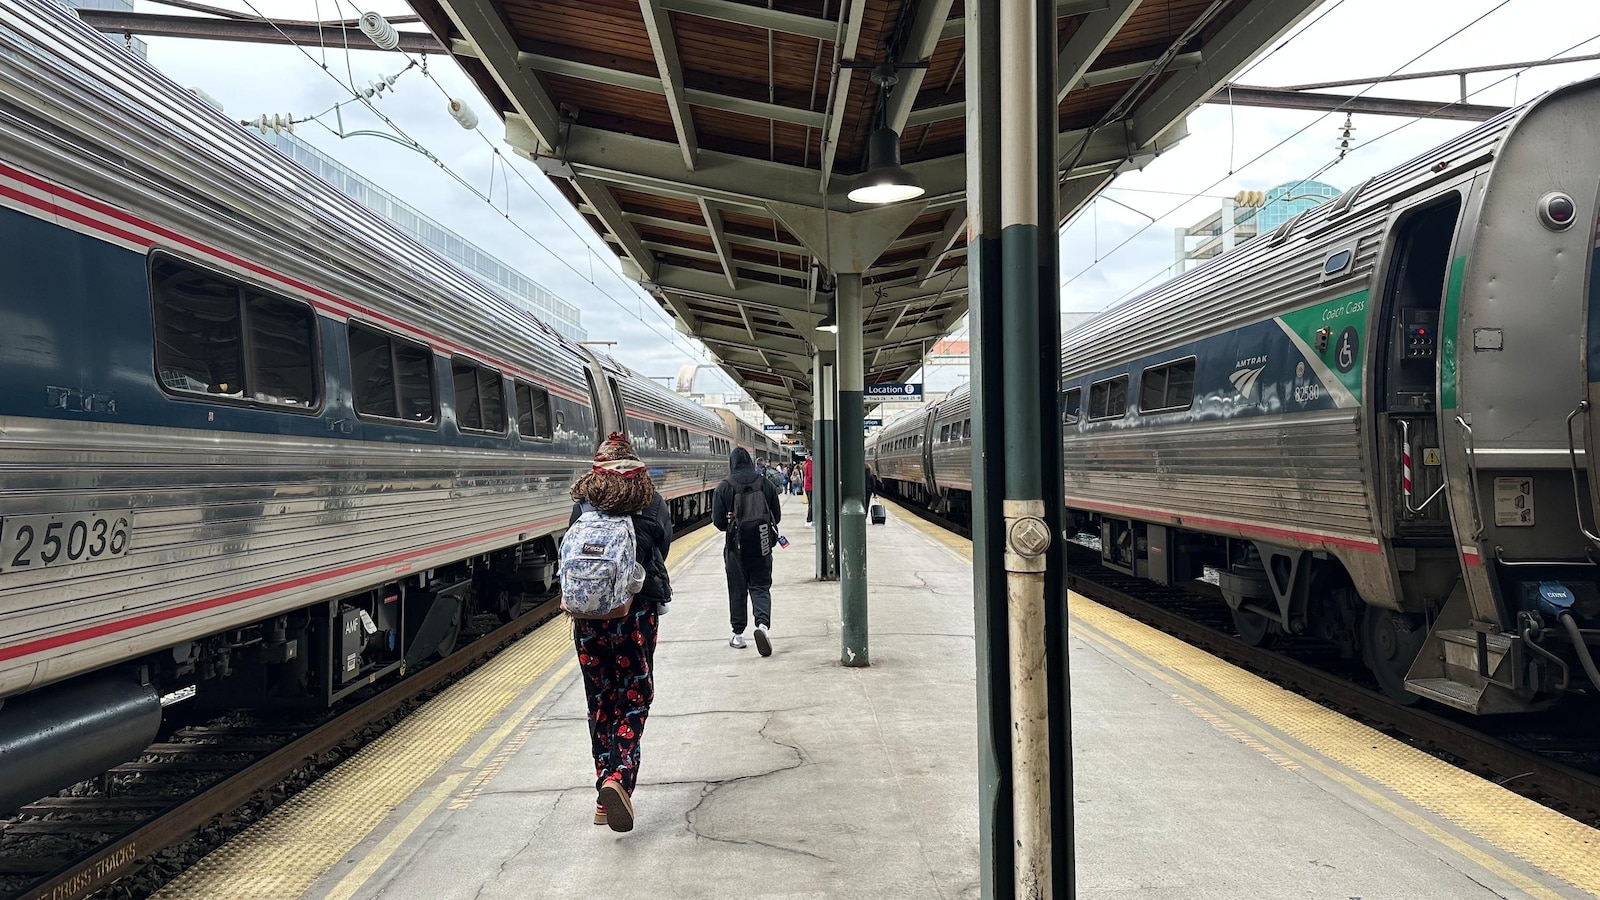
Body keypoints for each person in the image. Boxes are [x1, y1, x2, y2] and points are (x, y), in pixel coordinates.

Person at [566, 432, 672, 833]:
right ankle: (619, 779)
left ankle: (602, 797)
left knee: (600, 702)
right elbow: (662, 547)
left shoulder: (584, 503)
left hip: (587, 619)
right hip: (634, 615)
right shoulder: (651, 501)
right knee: (634, 697)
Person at [713, 447, 782, 656]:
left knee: (737, 589)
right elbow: (776, 516)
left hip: (736, 549)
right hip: (762, 544)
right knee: (761, 587)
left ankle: (738, 635)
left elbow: (718, 522)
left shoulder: (724, 487)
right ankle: (763, 626)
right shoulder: (765, 483)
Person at [802, 454, 815, 525]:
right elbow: (811, 476)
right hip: (810, 486)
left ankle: (809, 519)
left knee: (811, 503)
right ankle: (809, 519)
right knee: (811, 504)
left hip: (807, 486)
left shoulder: (807, 464)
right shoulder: (810, 464)